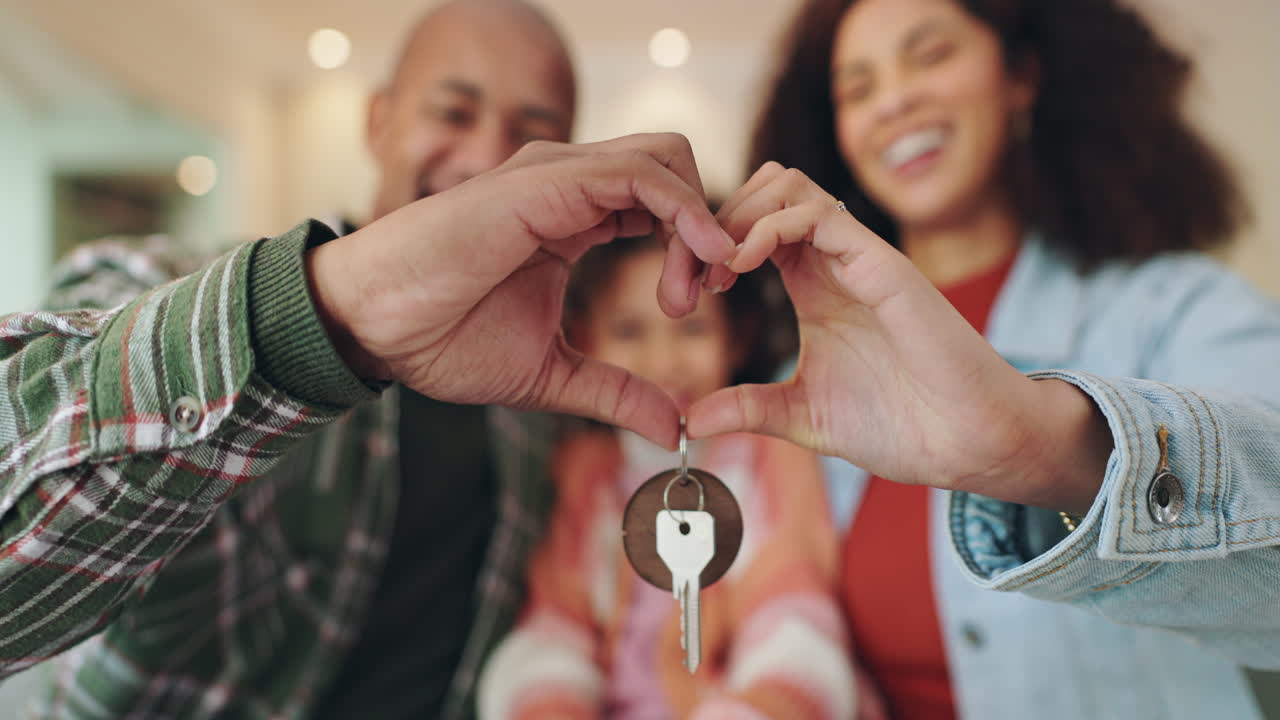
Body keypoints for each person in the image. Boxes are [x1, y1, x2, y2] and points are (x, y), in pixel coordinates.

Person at [0, 1, 736, 717]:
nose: (487, 160)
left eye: (531, 133)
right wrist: (330, 314)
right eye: (453, 113)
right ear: (377, 121)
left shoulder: (550, 402)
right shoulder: (154, 281)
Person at [686, 0, 1280, 717]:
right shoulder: (799, 386)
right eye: (858, 88)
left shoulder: (1173, 308)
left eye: (930, 55)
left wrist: (1049, 449)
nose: (894, 101)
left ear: (1021, 75)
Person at [476, 235, 857, 719]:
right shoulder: (583, 472)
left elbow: (792, 610)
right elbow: (556, 622)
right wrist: (548, 703)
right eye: (629, 331)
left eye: (693, 329)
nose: (664, 362)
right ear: (584, 341)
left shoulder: (768, 454)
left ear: (737, 338)